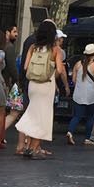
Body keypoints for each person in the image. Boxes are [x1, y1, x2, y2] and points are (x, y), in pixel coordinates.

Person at [15, 20, 67, 159]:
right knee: (43, 117)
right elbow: (60, 70)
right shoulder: (55, 50)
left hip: (33, 85)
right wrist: (51, 75)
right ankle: (34, 149)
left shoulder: (33, 47)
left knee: (33, 114)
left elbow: (26, 67)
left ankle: (29, 146)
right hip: (46, 85)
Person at [67, 44, 94, 145]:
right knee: (90, 116)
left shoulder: (78, 64)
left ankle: (70, 132)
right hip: (91, 95)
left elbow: (73, 80)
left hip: (78, 94)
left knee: (77, 116)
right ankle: (87, 138)